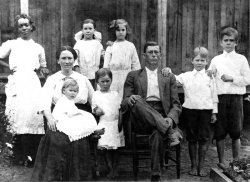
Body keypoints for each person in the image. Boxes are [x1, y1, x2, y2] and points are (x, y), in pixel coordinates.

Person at [31, 46, 104, 181]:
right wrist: (50, 118)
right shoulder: (52, 79)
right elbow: (45, 101)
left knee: (78, 141)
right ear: (58, 60)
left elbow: (94, 100)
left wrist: (96, 109)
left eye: (70, 58)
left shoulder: (82, 79)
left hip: (79, 115)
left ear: (74, 60)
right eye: (63, 58)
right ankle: (56, 177)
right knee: (56, 139)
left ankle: (77, 177)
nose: (67, 61)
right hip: (59, 116)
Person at [121, 41, 182, 181]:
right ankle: (170, 131)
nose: (154, 55)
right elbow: (124, 101)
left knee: (157, 132)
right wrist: (129, 99)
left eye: (156, 52)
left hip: (162, 114)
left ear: (160, 55)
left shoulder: (168, 76)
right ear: (144, 55)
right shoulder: (133, 75)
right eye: (150, 52)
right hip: (141, 116)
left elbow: (176, 104)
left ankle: (155, 175)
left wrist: (171, 119)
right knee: (136, 100)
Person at [0, 14, 49, 166]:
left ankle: (32, 156)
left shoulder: (38, 47)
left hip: (32, 82)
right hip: (17, 81)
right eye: (21, 25)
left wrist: (43, 71)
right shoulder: (11, 44)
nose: (24, 28)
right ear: (17, 28)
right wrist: (11, 68)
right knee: (16, 116)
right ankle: (17, 156)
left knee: (32, 115)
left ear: (31, 26)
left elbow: (43, 67)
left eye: (26, 25)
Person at [166, 47, 218, 176]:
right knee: (192, 139)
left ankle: (201, 166)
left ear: (207, 62)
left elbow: (214, 95)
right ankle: (193, 166)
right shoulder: (186, 76)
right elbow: (174, 78)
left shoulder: (210, 77)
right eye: (197, 60)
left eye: (202, 60)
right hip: (190, 111)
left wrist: (214, 112)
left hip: (206, 111)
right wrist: (168, 70)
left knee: (204, 139)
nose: (200, 63)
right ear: (192, 61)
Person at [208, 27, 250, 170]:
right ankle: (221, 161)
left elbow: (248, 79)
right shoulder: (216, 60)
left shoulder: (241, 59)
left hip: (236, 99)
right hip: (220, 99)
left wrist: (232, 78)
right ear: (221, 42)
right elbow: (209, 77)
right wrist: (210, 72)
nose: (228, 43)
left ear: (236, 43)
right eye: (225, 40)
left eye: (231, 41)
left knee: (236, 131)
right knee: (220, 131)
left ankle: (236, 161)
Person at [92, 68, 125, 178]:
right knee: (106, 148)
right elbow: (94, 108)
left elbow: (120, 109)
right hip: (104, 123)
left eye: (108, 81)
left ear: (111, 80)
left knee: (115, 148)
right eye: (102, 81)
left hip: (115, 123)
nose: (105, 84)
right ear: (97, 82)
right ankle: (109, 168)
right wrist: (97, 110)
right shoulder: (96, 94)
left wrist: (120, 123)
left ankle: (115, 168)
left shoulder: (115, 94)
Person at [103, 19, 141, 100]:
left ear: (126, 31)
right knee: (114, 99)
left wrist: (135, 80)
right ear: (114, 31)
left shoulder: (130, 46)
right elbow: (106, 67)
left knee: (126, 98)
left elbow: (136, 64)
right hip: (113, 78)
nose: (120, 32)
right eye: (118, 30)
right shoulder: (111, 47)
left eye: (123, 30)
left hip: (127, 77)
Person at [53, 77, 98, 142]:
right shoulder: (63, 100)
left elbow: (72, 110)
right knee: (80, 118)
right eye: (70, 90)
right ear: (64, 91)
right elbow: (68, 112)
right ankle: (91, 133)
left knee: (87, 115)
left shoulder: (70, 100)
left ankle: (93, 131)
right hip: (61, 119)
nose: (73, 93)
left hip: (68, 116)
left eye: (75, 91)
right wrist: (77, 113)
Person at [73, 19, 104, 89]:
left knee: (93, 91)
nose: (88, 31)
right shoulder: (79, 43)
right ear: (82, 30)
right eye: (85, 29)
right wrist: (77, 70)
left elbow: (102, 57)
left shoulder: (97, 44)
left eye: (90, 28)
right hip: (82, 72)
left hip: (95, 74)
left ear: (94, 30)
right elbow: (75, 58)